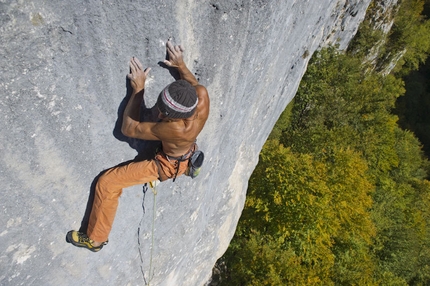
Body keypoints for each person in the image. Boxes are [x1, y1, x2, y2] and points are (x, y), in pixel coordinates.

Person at [66, 39, 210, 252]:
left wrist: (139, 88)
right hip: (186, 151)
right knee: (178, 151)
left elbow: (129, 128)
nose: (158, 114)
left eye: (164, 114)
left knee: (107, 183)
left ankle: (95, 240)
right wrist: (180, 65)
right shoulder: (201, 96)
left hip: (166, 163)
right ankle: (190, 166)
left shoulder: (176, 129)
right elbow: (190, 83)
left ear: (177, 118)